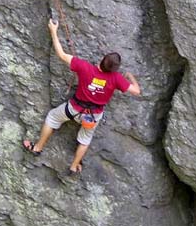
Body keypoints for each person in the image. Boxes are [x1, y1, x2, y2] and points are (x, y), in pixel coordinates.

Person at [23, 19, 141, 174]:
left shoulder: (84, 67)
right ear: (115, 69)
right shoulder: (116, 78)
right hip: (93, 115)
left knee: (52, 117)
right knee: (85, 139)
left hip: (74, 108)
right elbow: (137, 91)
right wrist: (131, 77)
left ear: (102, 60)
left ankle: (38, 147)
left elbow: (61, 54)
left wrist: (53, 30)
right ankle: (74, 166)